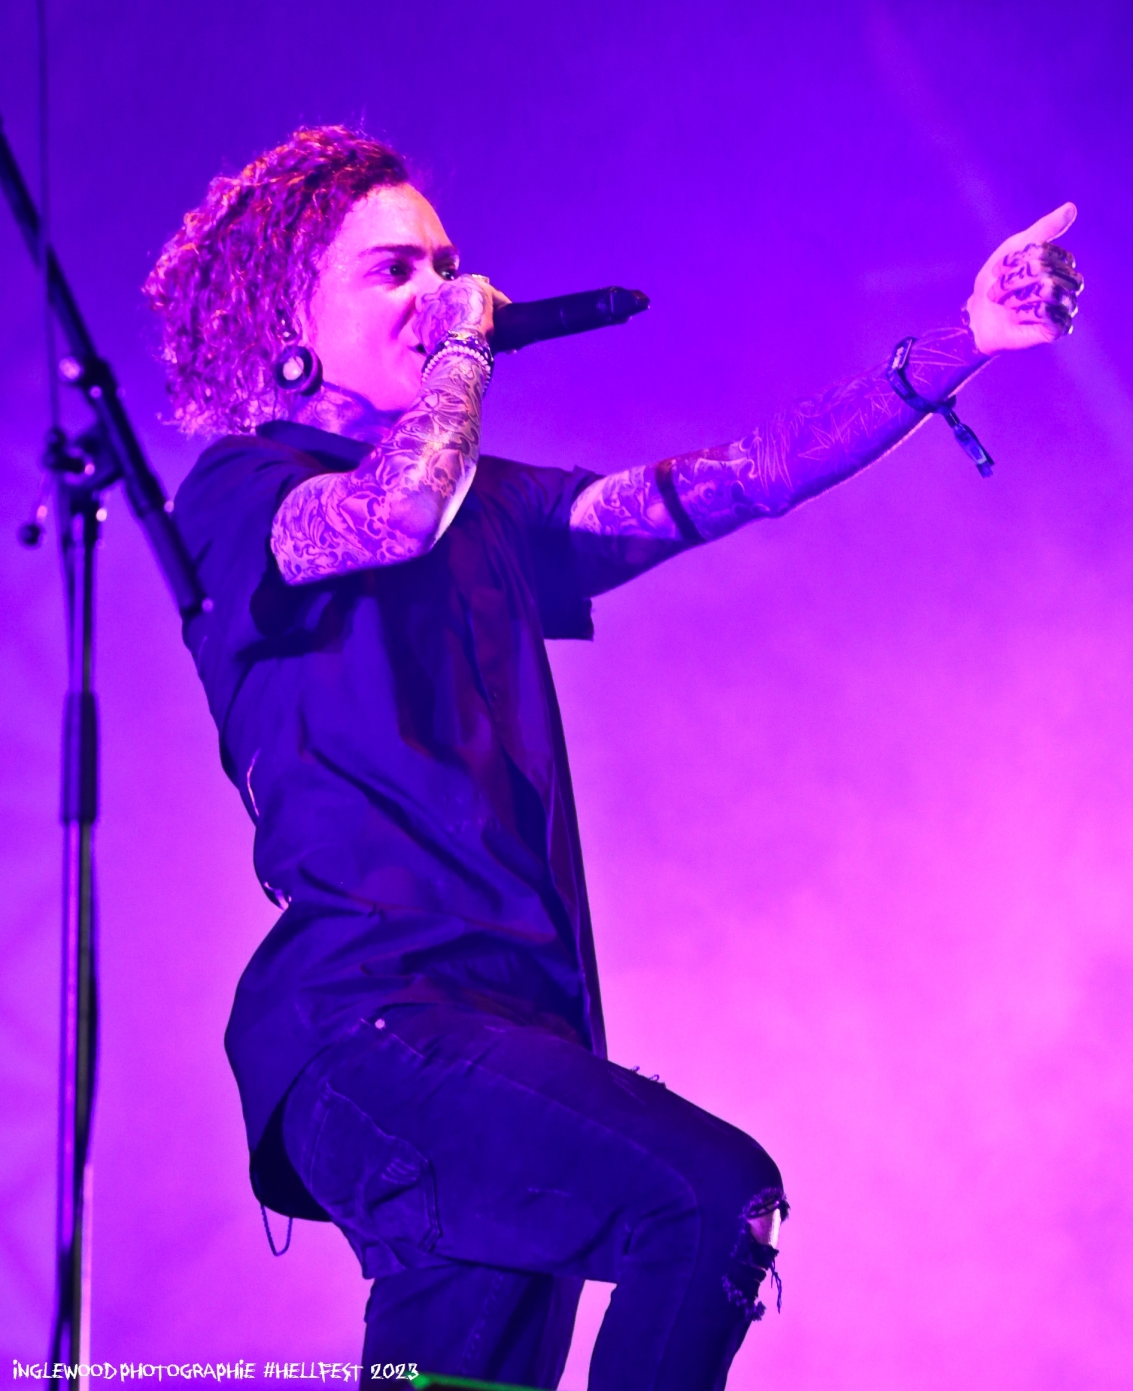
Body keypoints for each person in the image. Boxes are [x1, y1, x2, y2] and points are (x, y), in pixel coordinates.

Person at [147, 125, 1082, 1391]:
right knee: (703, 1199)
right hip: (370, 1024)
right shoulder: (240, 490)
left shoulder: (492, 509)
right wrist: (463, 352)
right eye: (393, 271)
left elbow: (735, 480)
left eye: (448, 266)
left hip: (514, 1028)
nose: (444, 291)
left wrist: (954, 346)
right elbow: (392, 514)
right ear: (286, 319)